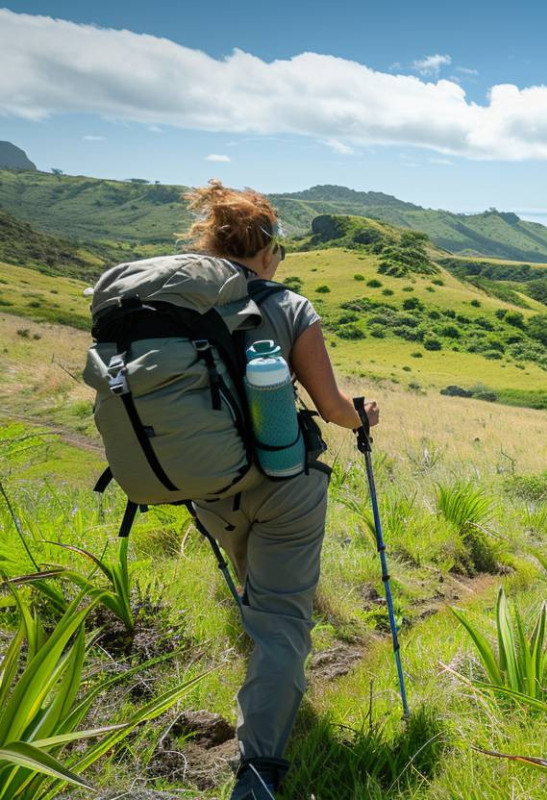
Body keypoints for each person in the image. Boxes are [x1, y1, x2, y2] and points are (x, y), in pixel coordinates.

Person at [181, 180, 379, 800]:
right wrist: (365, 415)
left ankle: (267, 683)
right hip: (283, 486)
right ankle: (260, 769)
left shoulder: (174, 304)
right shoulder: (289, 306)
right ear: (268, 250)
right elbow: (332, 407)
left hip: (207, 483)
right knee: (282, 619)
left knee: (256, 596)